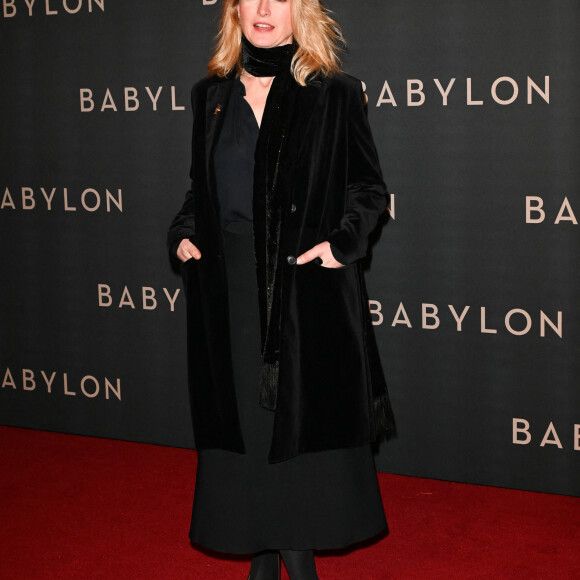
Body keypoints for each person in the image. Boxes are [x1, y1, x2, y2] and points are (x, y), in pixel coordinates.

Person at [167, 1, 396, 578]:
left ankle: (297, 566)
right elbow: (201, 192)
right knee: (246, 428)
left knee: (293, 428)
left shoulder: (335, 93)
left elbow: (368, 190)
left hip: (305, 290)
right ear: (234, 10)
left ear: (302, 12)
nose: (265, 8)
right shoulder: (210, 97)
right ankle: (261, 560)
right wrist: (185, 232)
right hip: (232, 292)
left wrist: (342, 244)